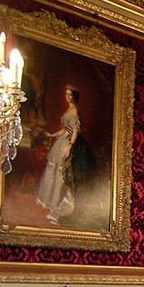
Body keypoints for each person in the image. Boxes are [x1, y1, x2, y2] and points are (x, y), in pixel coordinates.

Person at [36, 86, 95, 225]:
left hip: (69, 143)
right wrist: (53, 135)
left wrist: (69, 146)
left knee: (62, 173)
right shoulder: (69, 110)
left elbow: (74, 132)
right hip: (62, 141)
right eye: (66, 94)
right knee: (54, 170)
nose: (67, 97)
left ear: (74, 97)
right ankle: (50, 200)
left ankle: (60, 203)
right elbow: (65, 130)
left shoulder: (75, 112)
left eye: (70, 95)